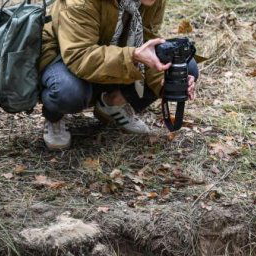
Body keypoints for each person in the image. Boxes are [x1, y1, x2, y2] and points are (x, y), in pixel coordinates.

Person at [38, 0, 200, 149]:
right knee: (68, 92)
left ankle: (112, 103)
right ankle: (54, 117)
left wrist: (164, 83)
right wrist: (133, 56)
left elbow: (148, 40)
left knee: (185, 68)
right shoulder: (81, 2)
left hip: (114, 56)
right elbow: (78, 56)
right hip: (64, 59)